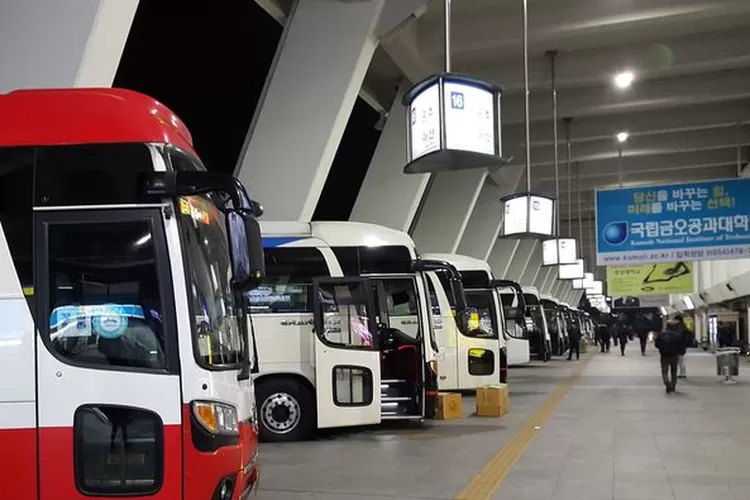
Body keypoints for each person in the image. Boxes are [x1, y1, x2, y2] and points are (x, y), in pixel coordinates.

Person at [655, 321, 683, 393]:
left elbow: (657, 344)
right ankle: (673, 385)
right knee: (674, 371)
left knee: (664, 371)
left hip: (664, 356)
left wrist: (661, 349)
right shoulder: (677, 335)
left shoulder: (661, 335)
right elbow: (680, 345)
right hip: (674, 355)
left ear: (666, 327)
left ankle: (667, 383)